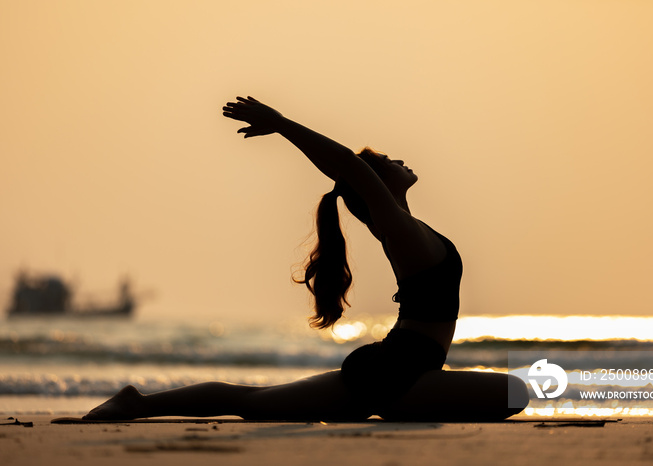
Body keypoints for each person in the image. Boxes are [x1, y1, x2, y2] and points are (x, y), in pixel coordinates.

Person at [83, 96, 528, 422]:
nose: (398, 159)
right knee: (514, 392)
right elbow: (349, 169)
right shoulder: (395, 226)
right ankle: (136, 403)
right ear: (375, 185)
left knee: (253, 402)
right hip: (395, 373)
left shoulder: (404, 229)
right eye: (387, 161)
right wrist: (282, 124)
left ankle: (137, 403)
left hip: (394, 369)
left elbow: (355, 175)